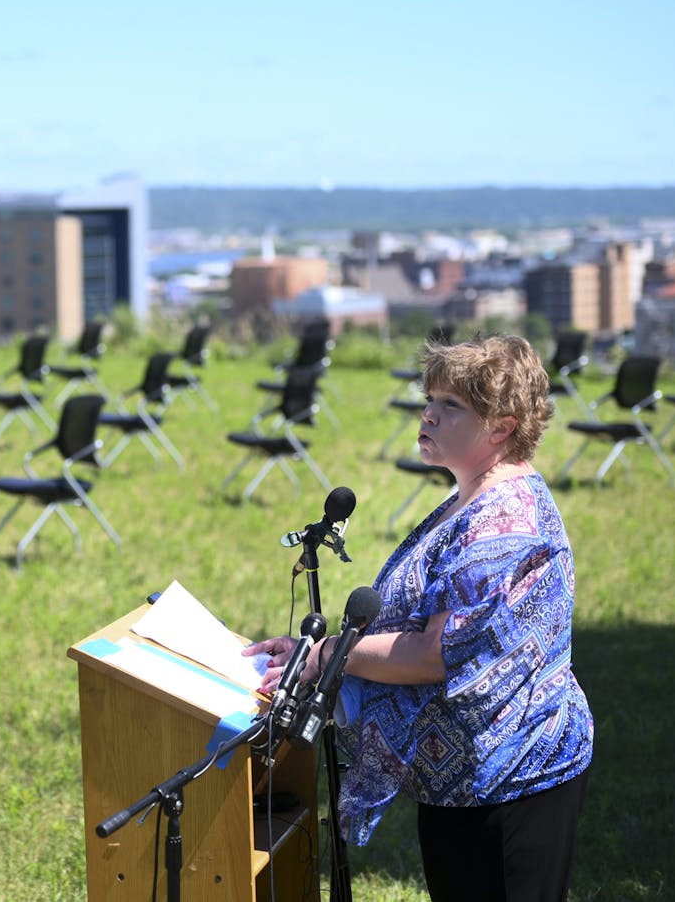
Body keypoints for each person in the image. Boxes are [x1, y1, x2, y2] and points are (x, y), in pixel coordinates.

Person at [244, 334, 593, 902]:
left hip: (511, 780)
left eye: (450, 405)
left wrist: (329, 656)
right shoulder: (469, 496)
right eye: (430, 398)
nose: (427, 413)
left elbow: (437, 654)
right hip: (461, 780)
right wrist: (318, 651)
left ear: (502, 426)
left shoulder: (502, 520)